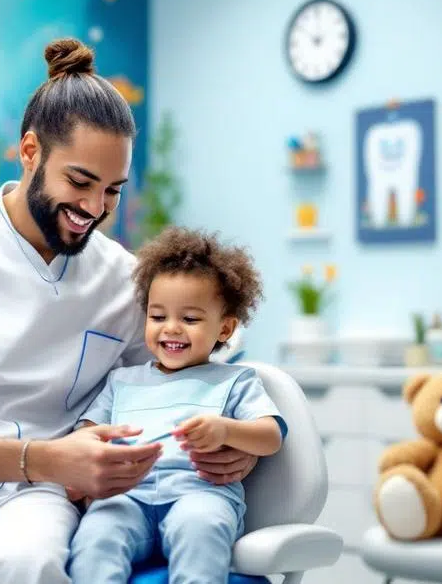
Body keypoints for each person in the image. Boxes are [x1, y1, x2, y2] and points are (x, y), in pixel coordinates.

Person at [0, 37, 260, 584]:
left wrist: (236, 445)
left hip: (39, 497)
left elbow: (166, 385)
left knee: (32, 567)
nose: (94, 208)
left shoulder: (122, 280)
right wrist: (42, 458)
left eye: (112, 191)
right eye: (80, 182)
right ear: (31, 151)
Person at [66, 227, 286, 583]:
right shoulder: (122, 380)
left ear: (225, 329)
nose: (171, 329)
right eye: (158, 316)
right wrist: (82, 469)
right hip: (126, 497)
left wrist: (226, 429)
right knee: (95, 538)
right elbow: (87, 434)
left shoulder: (235, 380)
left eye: (190, 319)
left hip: (199, 496)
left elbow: (271, 436)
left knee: (200, 529)